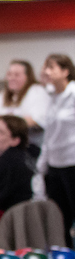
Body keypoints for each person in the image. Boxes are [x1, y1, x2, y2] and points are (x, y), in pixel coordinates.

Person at [39, 53, 75, 245]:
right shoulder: (52, 96)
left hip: (72, 161)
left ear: (65, 71)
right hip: (55, 163)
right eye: (46, 67)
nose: (47, 72)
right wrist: (42, 164)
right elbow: (49, 134)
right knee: (61, 216)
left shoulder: (73, 93)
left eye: (52, 67)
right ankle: (67, 257)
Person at [0, 60, 51, 147]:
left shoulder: (37, 91)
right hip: (3, 145)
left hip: (29, 145)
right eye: (9, 74)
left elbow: (35, 120)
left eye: (17, 75)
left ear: (27, 77)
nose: (12, 78)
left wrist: (1, 120)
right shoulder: (3, 95)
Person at [0, 115, 36, 228]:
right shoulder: (25, 155)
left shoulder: (7, 163)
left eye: (0, 132)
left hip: (13, 222)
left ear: (15, 140)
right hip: (27, 218)